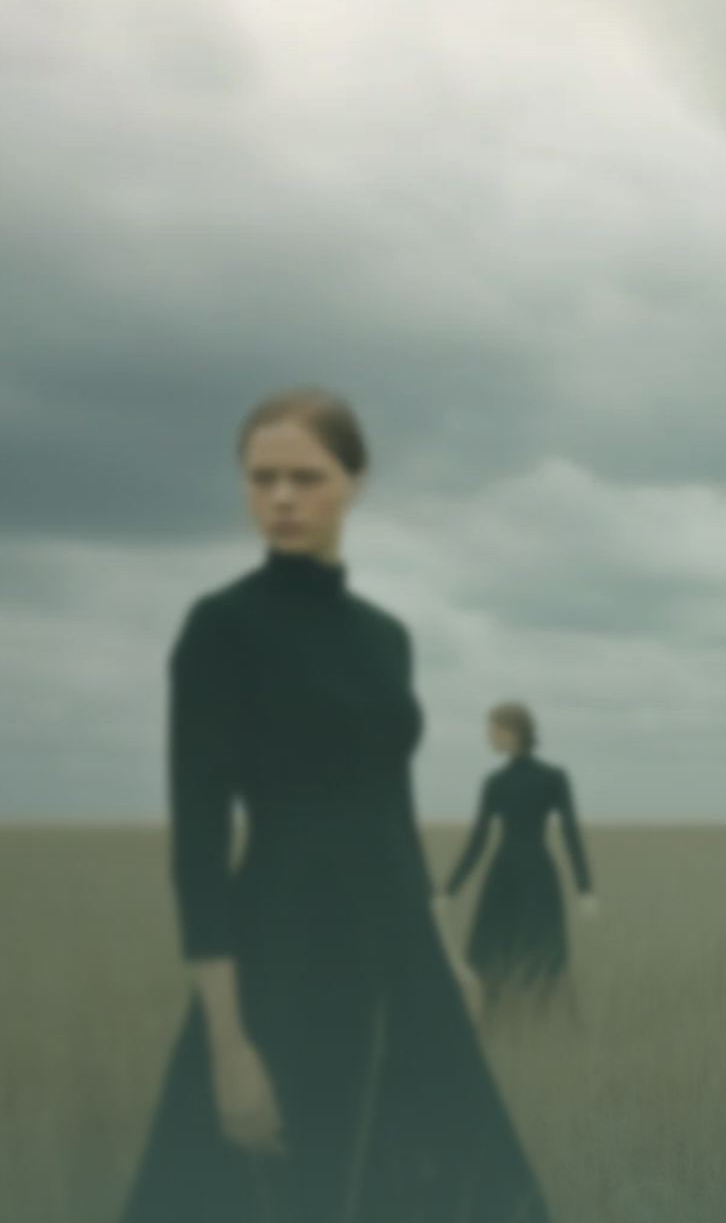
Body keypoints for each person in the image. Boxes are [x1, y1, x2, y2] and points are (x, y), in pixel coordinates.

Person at [119, 388, 552, 1223]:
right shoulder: (221, 627)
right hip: (284, 950)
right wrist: (227, 1045)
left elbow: (393, 808)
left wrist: (444, 952)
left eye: (306, 477)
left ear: (355, 481)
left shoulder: (386, 637)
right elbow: (199, 848)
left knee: (471, 1184)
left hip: (401, 953)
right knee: (287, 1186)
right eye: (262, 478)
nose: (282, 498)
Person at [438, 702, 599, 1015]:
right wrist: (448, 891)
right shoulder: (496, 782)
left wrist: (586, 890)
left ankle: (543, 1023)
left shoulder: (551, 778)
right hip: (510, 878)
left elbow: (571, 834)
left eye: (494, 729)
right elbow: (478, 841)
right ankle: (494, 1021)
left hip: (530, 878)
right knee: (489, 954)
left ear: (513, 732)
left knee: (542, 955)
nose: (488, 735)